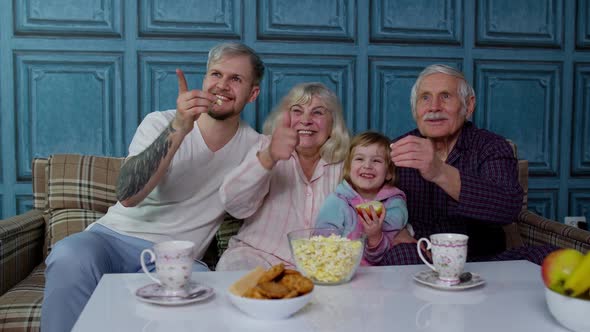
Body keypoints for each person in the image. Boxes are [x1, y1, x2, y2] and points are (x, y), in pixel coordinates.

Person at [41, 42, 264, 332]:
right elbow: (128, 195)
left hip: (177, 259)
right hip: (111, 239)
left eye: (236, 79)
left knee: (204, 293)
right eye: (215, 75)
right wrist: (179, 129)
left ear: (253, 94)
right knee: (69, 254)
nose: (221, 86)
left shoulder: (257, 148)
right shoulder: (160, 122)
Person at [380, 64, 556, 266]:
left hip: (483, 261)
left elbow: (508, 208)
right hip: (421, 259)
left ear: (469, 106)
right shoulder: (398, 149)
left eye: (445, 96)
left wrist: (440, 171)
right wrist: (394, 231)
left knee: (552, 256)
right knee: (400, 255)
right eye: (425, 98)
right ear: (415, 109)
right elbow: (367, 198)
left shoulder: (491, 147)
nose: (434, 107)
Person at [215, 82, 350, 271]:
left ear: (333, 123)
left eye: (318, 112)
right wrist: (269, 157)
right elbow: (234, 205)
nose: (306, 120)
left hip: (324, 263)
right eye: (297, 111)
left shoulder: (348, 161)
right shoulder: (265, 146)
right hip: (258, 255)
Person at [315, 131, 412, 265]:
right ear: (349, 168)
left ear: (389, 173)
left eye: (376, 160)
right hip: (340, 271)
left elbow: (387, 251)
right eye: (359, 159)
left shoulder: (394, 204)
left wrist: (375, 235)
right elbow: (321, 238)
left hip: (382, 274)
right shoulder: (337, 201)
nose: (367, 166)